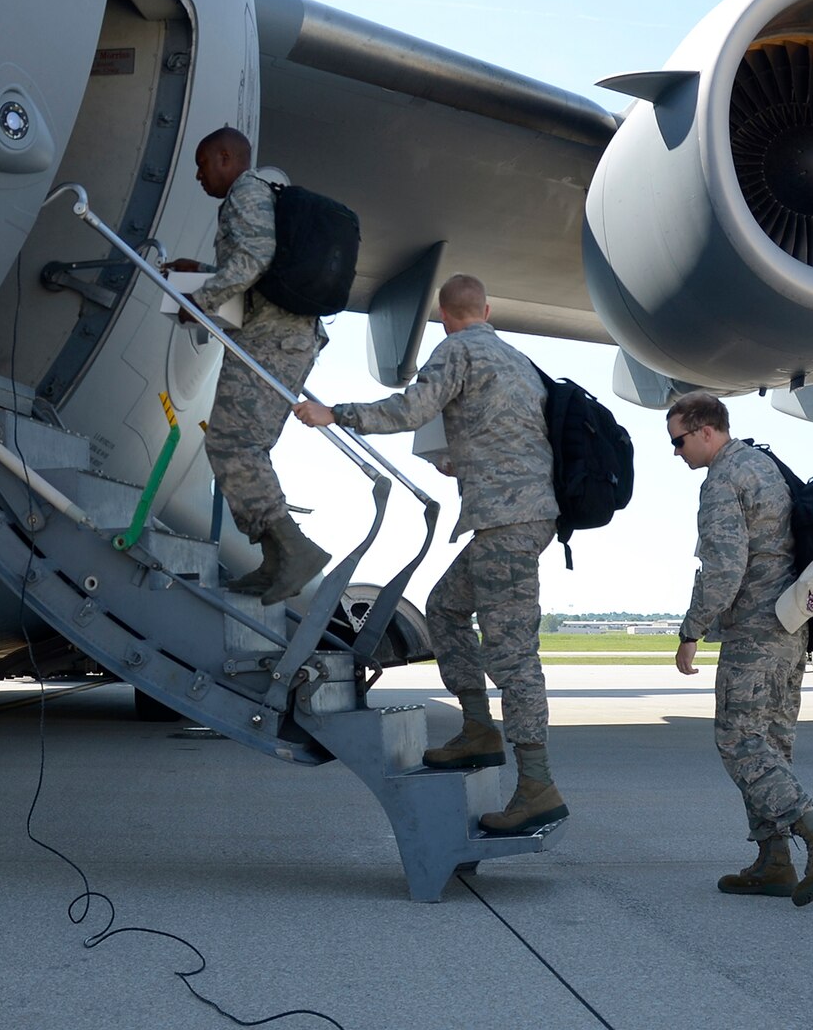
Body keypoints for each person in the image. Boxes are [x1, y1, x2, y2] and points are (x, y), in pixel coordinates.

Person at [293, 274, 566, 836]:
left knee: (513, 655)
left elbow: (413, 410)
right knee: (442, 607)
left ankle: (537, 784)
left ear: (444, 316)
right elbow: (512, 440)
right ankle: (477, 728)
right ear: (486, 309)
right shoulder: (516, 359)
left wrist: (336, 414)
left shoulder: (457, 349)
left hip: (506, 523)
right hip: (516, 517)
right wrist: (460, 463)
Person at [668, 390, 813, 905]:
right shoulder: (764, 465)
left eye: (679, 441)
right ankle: (773, 861)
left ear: (707, 430)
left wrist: (692, 630)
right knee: (771, 745)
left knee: (739, 741)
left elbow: (725, 570)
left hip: (753, 634)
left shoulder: (722, 481)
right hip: (790, 628)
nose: (677, 452)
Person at [164, 126, 330, 605]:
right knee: (242, 444)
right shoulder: (264, 196)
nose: (198, 176)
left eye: (202, 165)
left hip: (271, 340)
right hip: (283, 337)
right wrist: (202, 272)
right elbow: (256, 266)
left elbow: (254, 260)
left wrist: (199, 300)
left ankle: (295, 550)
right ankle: (276, 559)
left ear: (224, 156)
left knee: (231, 443)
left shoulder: (245, 192)